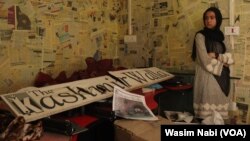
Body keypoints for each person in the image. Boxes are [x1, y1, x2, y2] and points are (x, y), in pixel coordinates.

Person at [191, 7, 234, 120]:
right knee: (206, 118)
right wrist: (223, 61)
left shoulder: (222, 37)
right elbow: (204, 60)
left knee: (219, 119)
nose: (208, 20)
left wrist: (215, 55)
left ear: (218, 19)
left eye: (212, 17)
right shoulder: (200, 36)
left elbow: (230, 59)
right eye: (206, 18)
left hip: (223, 80)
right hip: (207, 79)